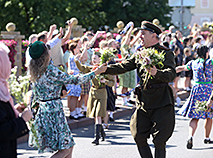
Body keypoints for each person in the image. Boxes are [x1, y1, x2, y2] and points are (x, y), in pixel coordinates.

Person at [103, 21, 176, 158]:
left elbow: (171, 74)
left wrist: (157, 73)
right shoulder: (139, 53)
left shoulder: (166, 53)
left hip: (161, 100)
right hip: (144, 101)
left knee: (160, 140)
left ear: (154, 35)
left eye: (143, 34)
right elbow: (123, 67)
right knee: (138, 135)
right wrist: (104, 69)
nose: (139, 36)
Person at [28, 41, 106, 157]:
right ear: (45, 54)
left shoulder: (34, 70)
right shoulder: (50, 70)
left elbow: (42, 93)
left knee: (69, 145)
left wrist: (58, 95)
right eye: (48, 49)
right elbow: (75, 80)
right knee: (66, 148)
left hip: (45, 110)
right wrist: (95, 72)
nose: (50, 51)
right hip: (54, 112)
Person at [176, 45, 213, 149]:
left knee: (195, 117)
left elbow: (182, 68)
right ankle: (207, 137)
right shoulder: (211, 62)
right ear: (206, 53)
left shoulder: (194, 63)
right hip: (208, 90)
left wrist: (171, 71)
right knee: (209, 116)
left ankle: (190, 136)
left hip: (197, 89)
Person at [75, 51, 115, 145]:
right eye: (92, 58)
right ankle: (102, 133)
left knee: (98, 114)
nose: (93, 60)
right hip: (93, 92)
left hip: (102, 92)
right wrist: (76, 60)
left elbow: (112, 82)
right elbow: (81, 68)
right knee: (95, 114)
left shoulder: (105, 69)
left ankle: (96, 137)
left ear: (100, 59)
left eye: (95, 58)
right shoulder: (91, 68)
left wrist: (105, 81)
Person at [0, 42, 32, 158]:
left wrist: (13, 111)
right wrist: (23, 120)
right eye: (6, 60)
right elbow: (2, 131)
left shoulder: (2, 87)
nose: (9, 64)